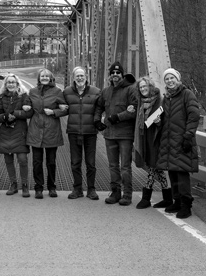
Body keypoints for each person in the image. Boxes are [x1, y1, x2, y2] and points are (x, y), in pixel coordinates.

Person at [156, 68, 200, 219]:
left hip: (182, 140)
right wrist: (158, 121)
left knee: (181, 173)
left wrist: (188, 136)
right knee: (173, 171)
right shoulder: (166, 98)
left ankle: (186, 205)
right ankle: (177, 201)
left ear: (178, 79)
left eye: (172, 78)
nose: (169, 81)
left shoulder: (187, 94)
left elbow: (194, 115)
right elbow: (163, 118)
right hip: (168, 141)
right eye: (167, 79)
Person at [96, 61, 138, 206]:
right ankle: (115, 192)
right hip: (109, 134)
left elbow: (134, 110)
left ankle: (127, 194)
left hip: (125, 135)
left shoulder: (130, 90)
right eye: (112, 73)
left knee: (125, 166)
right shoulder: (106, 91)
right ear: (110, 76)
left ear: (122, 74)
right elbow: (99, 106)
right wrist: (97, 121)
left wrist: (118, 117)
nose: (115, 75)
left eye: (118, 73)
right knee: (113, 165)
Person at [23, 68, 67, 199]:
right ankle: (38, 187)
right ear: (39, 78)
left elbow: (65, 109)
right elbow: (27, 103)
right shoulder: (32, 91)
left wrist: (54, 112)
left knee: (51, 161)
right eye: (42, 76)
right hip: (36, 129)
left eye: (47, 76)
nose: (44, 78)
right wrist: (26, 105)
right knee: (37, 161)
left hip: (51, 130)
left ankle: (52, 187)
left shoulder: (57, 92)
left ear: (51, 78)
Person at [62, 66, 102, 200]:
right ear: (73, 78)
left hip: (90, 132)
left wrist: (100, 120)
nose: (80, 78)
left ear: (86, 77)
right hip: (73, 132)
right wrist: (55, 111)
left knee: (91, 163)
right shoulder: (67, 92)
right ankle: (77, 188)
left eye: (82, 75)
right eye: (77, 76)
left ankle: (91, 189)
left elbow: (101, 107)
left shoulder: (96, 91)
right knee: (75, 162)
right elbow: (61, 106)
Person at [132, 76, 172, 209]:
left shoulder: (160, 100)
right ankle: (167, 197)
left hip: (157, 138)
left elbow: (167, 121)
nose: (143, 89)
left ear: (150, 86)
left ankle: (146, 197)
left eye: (145, 86)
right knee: (155, 167)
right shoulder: (141, 102)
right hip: (146, 137)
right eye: (141, 87)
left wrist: (159, 122)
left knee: (153, 166)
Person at [0, 73, 33, 197]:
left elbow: (29, 113)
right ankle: (13, 184)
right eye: (8, 82)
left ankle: (25, 185)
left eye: (13, 82)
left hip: (20, 131)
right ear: (5, 84)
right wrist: (5, 117)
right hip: (6, 132)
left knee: (22, 159)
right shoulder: (1, 97)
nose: (11, 84)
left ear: (17, 84)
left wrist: (15, 114)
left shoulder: (24, 96)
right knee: (8, 159)